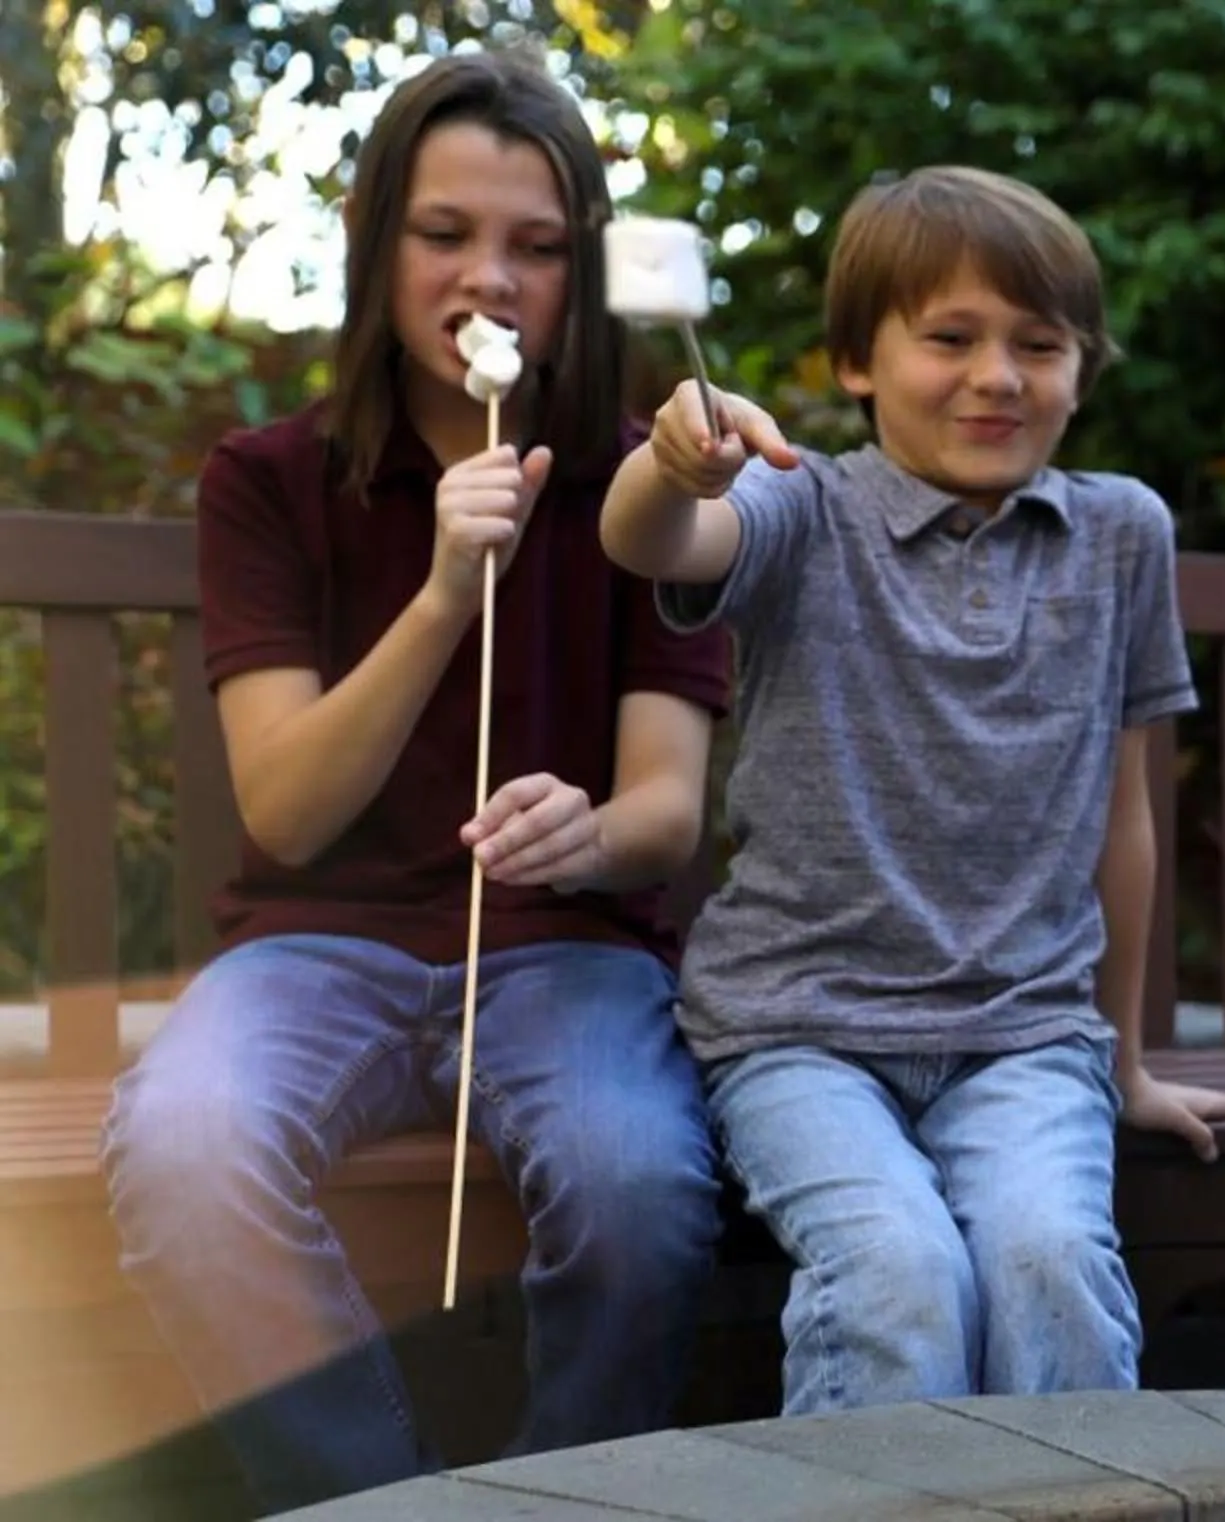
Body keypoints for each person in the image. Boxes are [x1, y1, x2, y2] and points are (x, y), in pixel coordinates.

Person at [98, 48, 735, 1513]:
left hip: (568, 951)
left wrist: (582, 834)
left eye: (537, 247)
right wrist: (448, 587)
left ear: (581, 275)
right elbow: (290, 808)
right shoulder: (269, 481)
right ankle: (382, 1503)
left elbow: (665, 809)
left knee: (641, 1191)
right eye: (444, 234)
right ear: (377, 245)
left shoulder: (648, 486)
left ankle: (565, 1502)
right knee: (188, 1154)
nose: (488, 279)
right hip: (318, 946)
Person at [598, 165, 1225, 1414]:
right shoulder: (802, 504)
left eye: (1039, 344)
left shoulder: (1122, 534)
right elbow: (653, 542)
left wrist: (1125, 1063)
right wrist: (673, 469)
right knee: (897, 1278)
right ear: (858, 361)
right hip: (802, 1032)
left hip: (1024, 1035)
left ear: (1082, 365)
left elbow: (1127, 823)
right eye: (949, 338)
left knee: (1050, 1263)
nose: (997, 377)